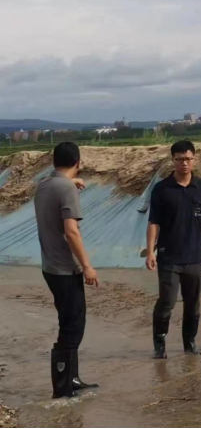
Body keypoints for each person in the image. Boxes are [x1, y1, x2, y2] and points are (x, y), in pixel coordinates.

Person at [34, 142, 99, 399]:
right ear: (78, 162)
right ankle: (62, 389)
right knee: (72, 328)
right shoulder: (65, 189)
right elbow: (71, 232)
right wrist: (87, 266)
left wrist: (73, 183)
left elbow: (58, 187)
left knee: (70, 323)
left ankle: (71, 379)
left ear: (54, 162)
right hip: (65, 268)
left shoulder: (45, 184)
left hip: (50, 267)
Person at [146, 141, 201, 359]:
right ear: (173, 161)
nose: (184, 163)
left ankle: (190, 344)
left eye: (188, 159)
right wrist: (150, 251)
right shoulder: (161, 189)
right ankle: (159, 346)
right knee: (166, 302)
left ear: (194, 160)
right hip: (169, 256)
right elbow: (153, 222)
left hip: (195, 257)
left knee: (193, 303)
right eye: (179, 159)